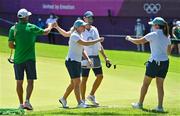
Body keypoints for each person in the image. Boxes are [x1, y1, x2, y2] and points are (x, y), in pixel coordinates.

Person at [55, 11, 110, 106]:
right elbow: (85, 44)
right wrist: (98, 40)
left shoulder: (82, 33)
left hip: (78, 60)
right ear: (78, 26)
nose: (84, 27)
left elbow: (82, 49)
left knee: (74, 82)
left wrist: (89, 58)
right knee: (78, 81)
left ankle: (63, 99)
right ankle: (80, 102)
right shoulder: (75, 35)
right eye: (83, 26)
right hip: (72, 61)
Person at [8, 8, 54, 110]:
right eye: (27, 16)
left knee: (19, 82)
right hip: (30, 59)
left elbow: (10, 45)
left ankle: (21, 104)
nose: (29, 17)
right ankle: (27, 102)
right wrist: (51, 25)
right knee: (30, 81)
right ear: (25, 17)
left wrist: (19, 47)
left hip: (18, 59)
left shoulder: (13, 29)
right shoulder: (31, 27)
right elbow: (46, 32)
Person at [126, 17, 171, 112]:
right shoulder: (167, 35)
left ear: (157, 26)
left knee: (145, 84)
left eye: (153, 25)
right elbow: (168, 52)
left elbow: (139, 41)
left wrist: (129, 38)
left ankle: (139, 104)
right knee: (160, 86)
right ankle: (160, 107)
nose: (152, 26)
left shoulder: (153, 34)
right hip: (165, 63)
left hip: (154, 63)